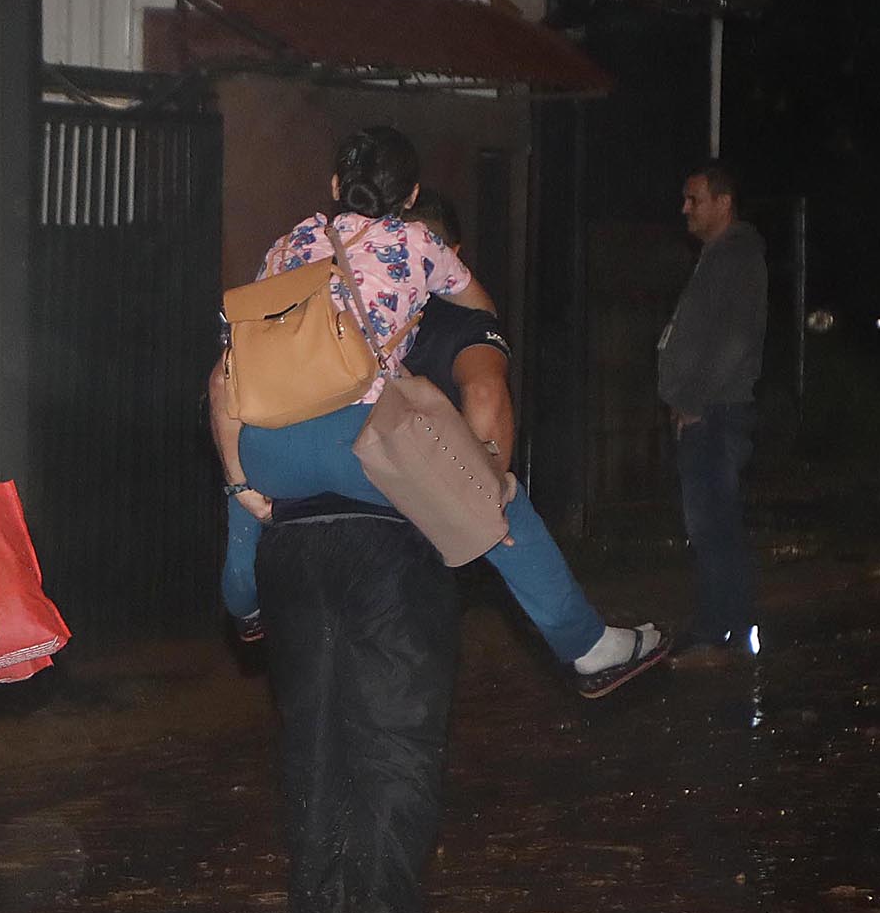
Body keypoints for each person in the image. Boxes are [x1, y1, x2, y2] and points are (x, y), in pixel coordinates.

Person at [210, 127, 468, 913]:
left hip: (291, 537)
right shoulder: (424, 257)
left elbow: (228, 380)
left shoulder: (284, 253)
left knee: (313, 733)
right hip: (386, 520)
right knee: (393, 736)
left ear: (330, 184)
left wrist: (244, 486)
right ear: (411, 195)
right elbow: (486, 340)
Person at [214, 200, 662, 697]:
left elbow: (223, 385)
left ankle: (242, 597)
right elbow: (487, 396)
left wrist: (239, 484)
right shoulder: (455, 312)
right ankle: (586, 644)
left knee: (251, 441)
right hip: (376, 462)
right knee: (502, 505)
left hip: (274, 462)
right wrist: (480, 493)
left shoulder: (293, 271)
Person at [657, 161, 769, 667]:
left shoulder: (737, 257)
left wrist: (694, 401)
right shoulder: (718, 257)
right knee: (710, 525)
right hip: (708, 411)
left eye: (694, 199)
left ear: (723, 203)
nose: (685, 208)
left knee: (714, 525)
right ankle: (721, 629)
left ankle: (721, 634)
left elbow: (734, 341)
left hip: (717, 413)